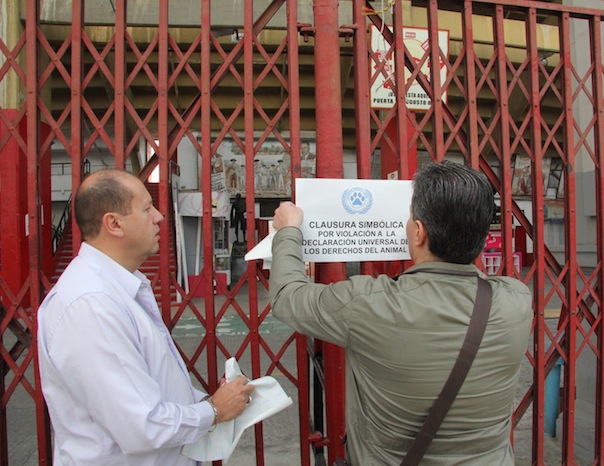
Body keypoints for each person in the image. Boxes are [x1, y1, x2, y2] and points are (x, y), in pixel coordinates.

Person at [269, 160, 532, 465]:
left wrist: (288, 231)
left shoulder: (370, 305)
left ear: (418, 232)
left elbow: (287, 296)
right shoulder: (517, 301)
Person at [38, 169, 254, 465]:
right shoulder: (91, 305)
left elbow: (146, 386)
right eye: (146, 208)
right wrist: (214, 410)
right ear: (114, 224)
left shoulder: (118, 288)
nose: (159, 217)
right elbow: (141, 426)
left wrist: (203, 402)